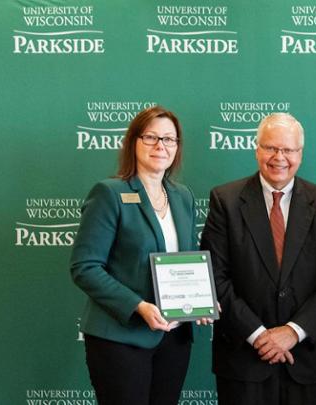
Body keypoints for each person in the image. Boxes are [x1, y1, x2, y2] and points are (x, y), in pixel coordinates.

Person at [200, 113, 316, 405]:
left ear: (300, 154)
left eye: (288, 150)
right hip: (244, 359)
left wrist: (293, 332)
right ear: (256, 149)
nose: (279, 157)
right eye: (270, 148)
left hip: (308, 359)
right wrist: (258, 335)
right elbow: (215, 276)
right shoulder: (225, 200)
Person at [70, 106, 211, 405]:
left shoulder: (182, 196)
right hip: (120, 338)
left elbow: (188, 259)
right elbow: (85, 267)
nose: (161, 146)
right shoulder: (109, 193)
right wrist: (138, 306)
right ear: (133, 142)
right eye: (151, 137)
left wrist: (202, 299)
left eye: (169, 139)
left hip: (173, 338)